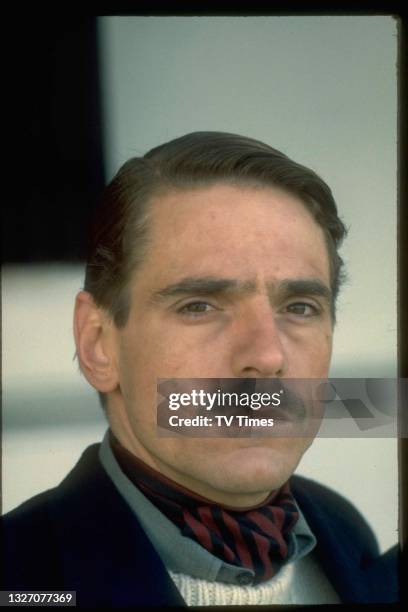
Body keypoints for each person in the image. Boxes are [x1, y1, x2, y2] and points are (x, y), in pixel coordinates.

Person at [1, 132, 398, 606]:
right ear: (98, 343)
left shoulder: (343, 532)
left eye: (300, 306)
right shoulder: (19, 576)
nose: (267, 356)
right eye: (199, 305)